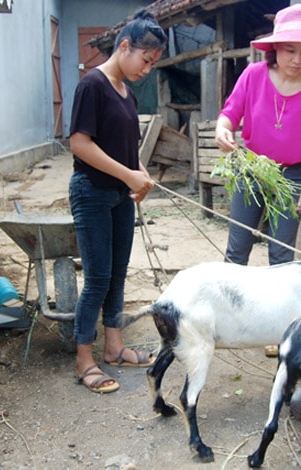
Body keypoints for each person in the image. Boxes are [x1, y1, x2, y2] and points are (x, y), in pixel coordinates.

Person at [68, 10, 167, 393]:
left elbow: (125, 149)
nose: (147, 69)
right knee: (96, 279)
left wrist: (139, 173)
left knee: (118, 274)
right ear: (125, 46)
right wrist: (129, 175)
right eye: (145, 60)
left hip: (120, 196)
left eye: (153, 63)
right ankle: (84, 361)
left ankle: (113, 347)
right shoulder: (92, 85)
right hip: (91, 192)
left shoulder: (126, 91)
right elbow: (79, 144)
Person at [215, 3, 301, 268]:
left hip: (291, 175)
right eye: (290, 50)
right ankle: (229, 306)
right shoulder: (253, 75)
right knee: (237, 249)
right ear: (275, 48)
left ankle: (279, 310)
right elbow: (230, 113)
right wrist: (221, 129)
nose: (297, 59)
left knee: (282, 253)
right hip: (250, 169)